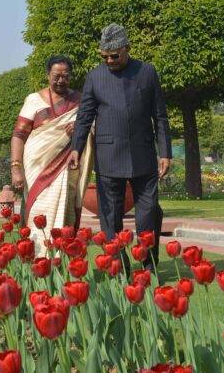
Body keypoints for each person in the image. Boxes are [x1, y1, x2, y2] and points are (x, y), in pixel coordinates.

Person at [69, 23, 172, 272]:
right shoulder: (95, 76)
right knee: (110, 218)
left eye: (114, 55)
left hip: (143, 156)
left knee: (148, 214)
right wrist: (77, 148)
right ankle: (119, 269)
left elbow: (159, 116)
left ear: (127, 48)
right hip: (109, 157)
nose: (110, 60)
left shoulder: (147, 72)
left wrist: (165, 152)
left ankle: (149, 267)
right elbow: (85, 116)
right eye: (104, 56)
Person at [11, 55, 93, 253]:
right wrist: (16, 167)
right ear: (48, 75)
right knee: (37, 212)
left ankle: (58, 262)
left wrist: (81, 129)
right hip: (35, 167)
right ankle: (36, 259)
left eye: (65, 76)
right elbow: (18, 135)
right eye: (56, 75)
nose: (60, 80)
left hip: (66, 166)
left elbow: (94, 128)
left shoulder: (81, 101)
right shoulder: (34, 100)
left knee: (62, 212)